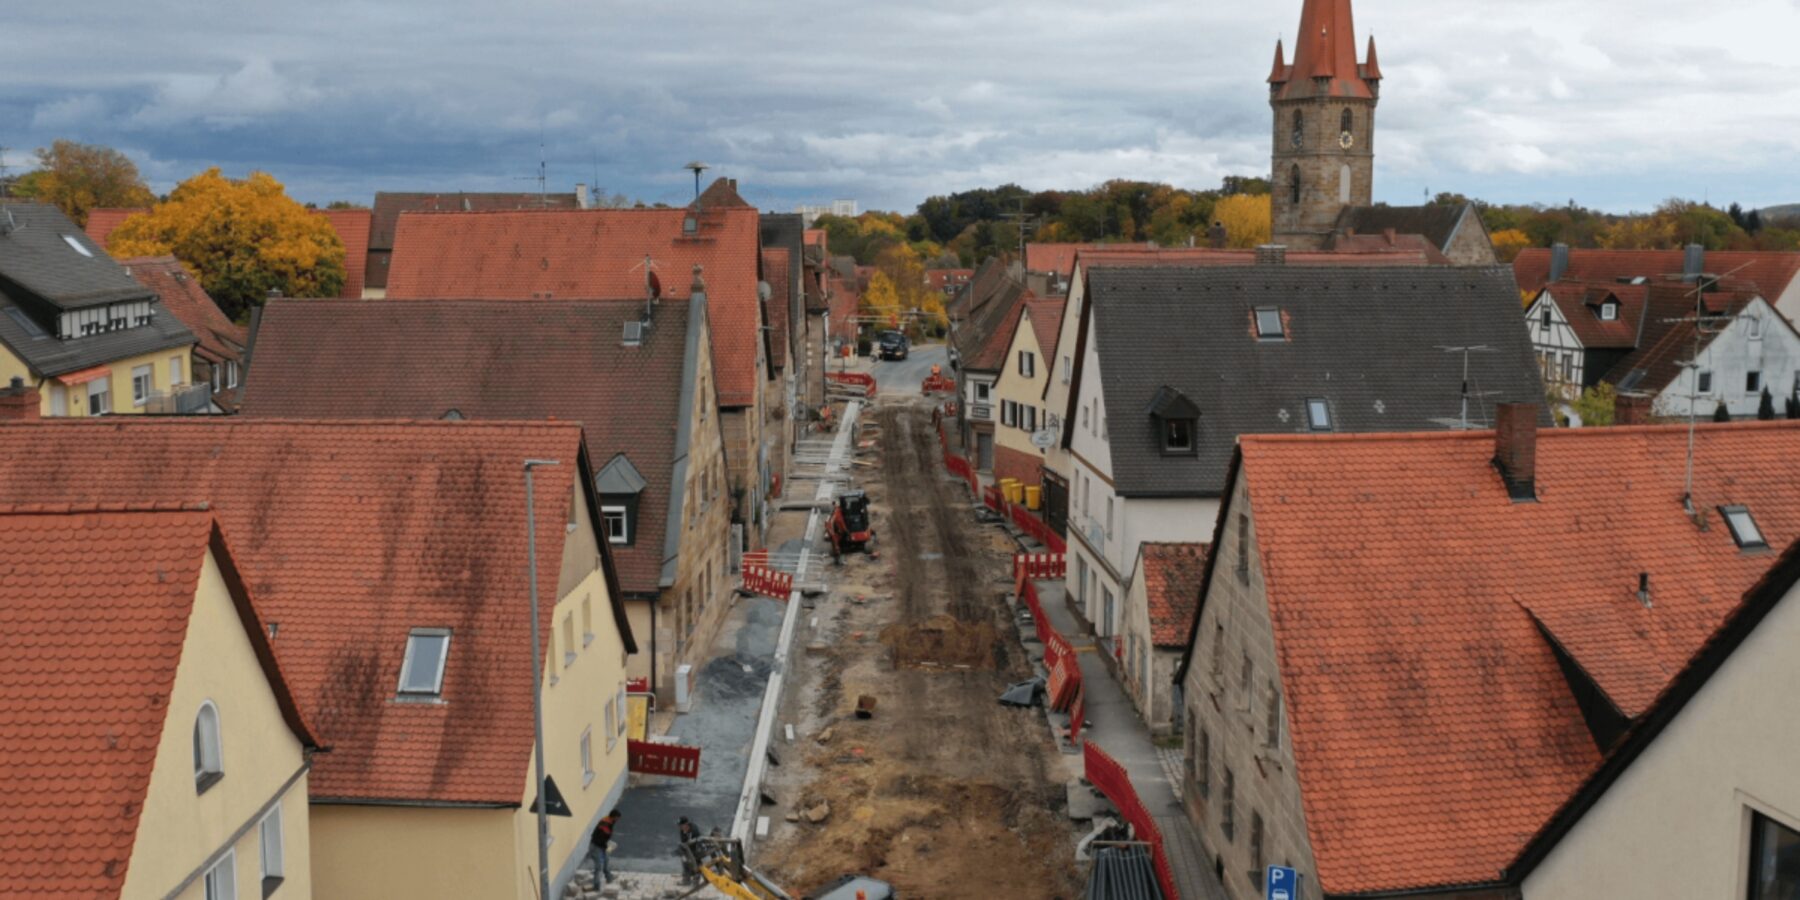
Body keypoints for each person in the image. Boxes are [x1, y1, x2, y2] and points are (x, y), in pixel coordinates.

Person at [588, 808, 620, 885]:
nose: (618, 820)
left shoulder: (608, 821)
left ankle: (609, 877)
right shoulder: (605, 824)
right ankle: (596, 885)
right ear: (614, 817)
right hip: (596, 847)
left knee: (606, 860)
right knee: (599, 867)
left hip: (601, 845)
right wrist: (607, 846)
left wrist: (607, 844)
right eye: (617, 818)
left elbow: (604, 837)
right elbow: (599, 839)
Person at [677, 816, 701, 884]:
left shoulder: (694, 830)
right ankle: (687, 879)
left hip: (696, 847)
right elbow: (683, 842)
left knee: (695, 860)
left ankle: (696, 877)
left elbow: (697, 841)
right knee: (684, 860)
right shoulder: (682, 830)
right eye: (679, 825)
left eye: (681, 825)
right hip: (687, 849)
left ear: (686, 824)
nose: (680, 827)